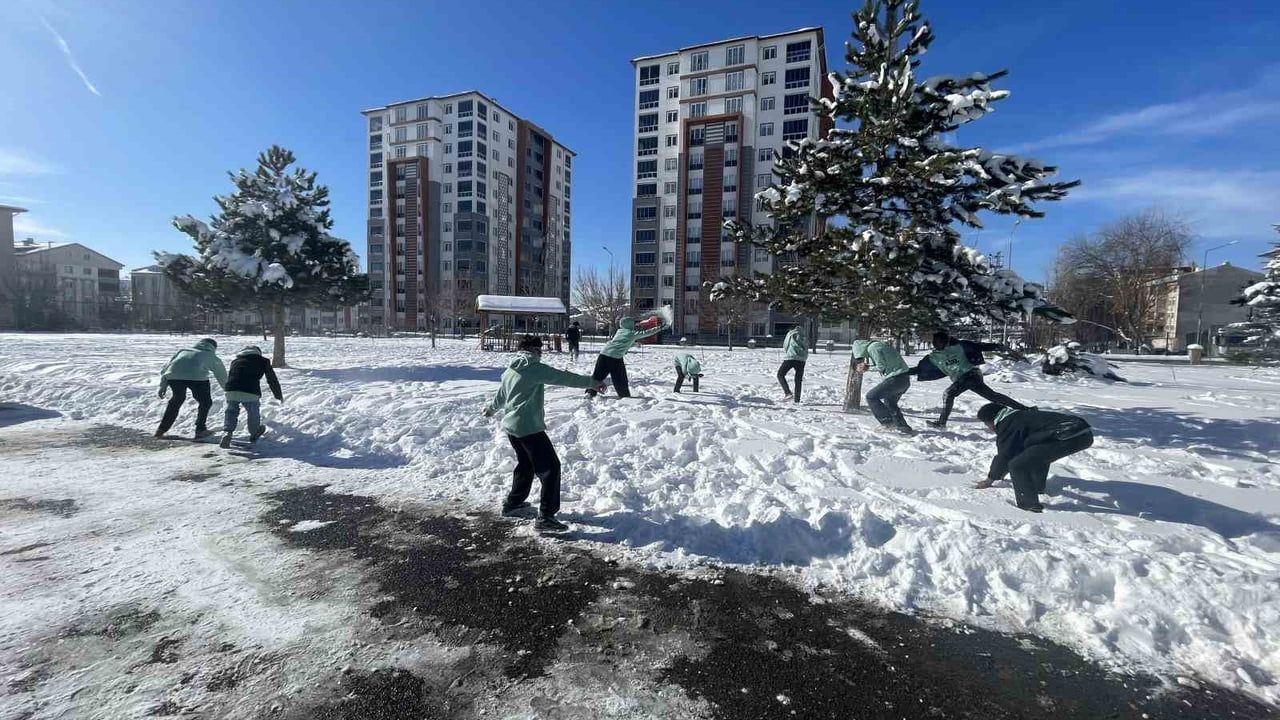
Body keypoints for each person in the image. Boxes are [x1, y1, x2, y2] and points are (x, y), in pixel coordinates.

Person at [485, 335, 606, 532]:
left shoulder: (511, 369)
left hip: (512, 427)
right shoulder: (534, 368)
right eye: (539, 350)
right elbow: (564, 377)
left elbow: (502, 393)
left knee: (526, 464)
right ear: (533, 350)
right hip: (528, 428)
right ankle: (546, 517)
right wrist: (592, 383)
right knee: (551, 467)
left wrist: (491, 409)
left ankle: (513, 503)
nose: (541, 354)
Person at [974, 403, 1094, 512]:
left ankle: (1028, 505)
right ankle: (1037, 488)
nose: (988, 428)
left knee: (1017, 465)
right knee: (1034, 456)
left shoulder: (1008, 425)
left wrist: (990, 479)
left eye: (986, 424)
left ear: (992, 420)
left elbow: (1005, 456)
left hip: (1068, 435)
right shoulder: (1020, 417)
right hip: (1083, 434)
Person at [926, 331, 1027, 428]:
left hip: (971, 375)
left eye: (938, 342)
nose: (935, 344)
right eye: (934, 342)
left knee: (948, 393)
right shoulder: (938, 354)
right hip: (966, 378)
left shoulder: (960, 346)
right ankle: (1024, 409)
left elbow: (981, 346)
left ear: (944, 341)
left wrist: (999, 347)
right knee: (993, 396)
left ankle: (941, 423)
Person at [155, 338, 227, 439]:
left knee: (177, 400)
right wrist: (228, 390)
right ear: (213, 347)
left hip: (174, 376)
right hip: (197, 377)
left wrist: (163, 386)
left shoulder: (183, 351)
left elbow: (167, 368)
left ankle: (161, 430)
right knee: (205, 402)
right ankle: (200, 429)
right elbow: (221, 375)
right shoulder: (210, 355)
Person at [588, 313, 668, 398]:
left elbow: (621, 342)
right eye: (633, 323)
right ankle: (624, 396)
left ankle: (590, 393)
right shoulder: (631, 333)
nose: (634, 325)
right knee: (620, 379)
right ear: (629, 324)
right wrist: (660, 328)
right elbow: (646, 333)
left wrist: (633, 344)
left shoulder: (620, 331)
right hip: (615, 358)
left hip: (604, 355)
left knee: (597, 376)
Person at [219, 345, 283, 448]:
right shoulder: (263, 361)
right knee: (253, 411)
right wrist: (278, 395)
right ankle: (254, 432)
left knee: (231, 411)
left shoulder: (235, 361)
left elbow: (232, 376)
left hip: (231, 389)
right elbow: (272, 379)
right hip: (250, 391)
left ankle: (227, 432)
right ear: (258, 353)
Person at [852, 339, 914, 435]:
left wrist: (867, 368)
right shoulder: (879, 345)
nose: (862, 359)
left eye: (860, 357)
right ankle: (903, 427)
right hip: (904, 379)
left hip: (895, 379)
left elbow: (881, 366)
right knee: (890, 403)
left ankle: (887, 422)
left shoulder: (872, 348)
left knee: (871, 396)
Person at [777, 326, 808, 403]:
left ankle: (788, 393)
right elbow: (806, 347)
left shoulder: (790, 334)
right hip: (802, 360)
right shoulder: (804, 335)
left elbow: (786, 345)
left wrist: (788, 352)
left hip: (790, 357)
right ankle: (797, 400)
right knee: (798, 380)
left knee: (780, 374)